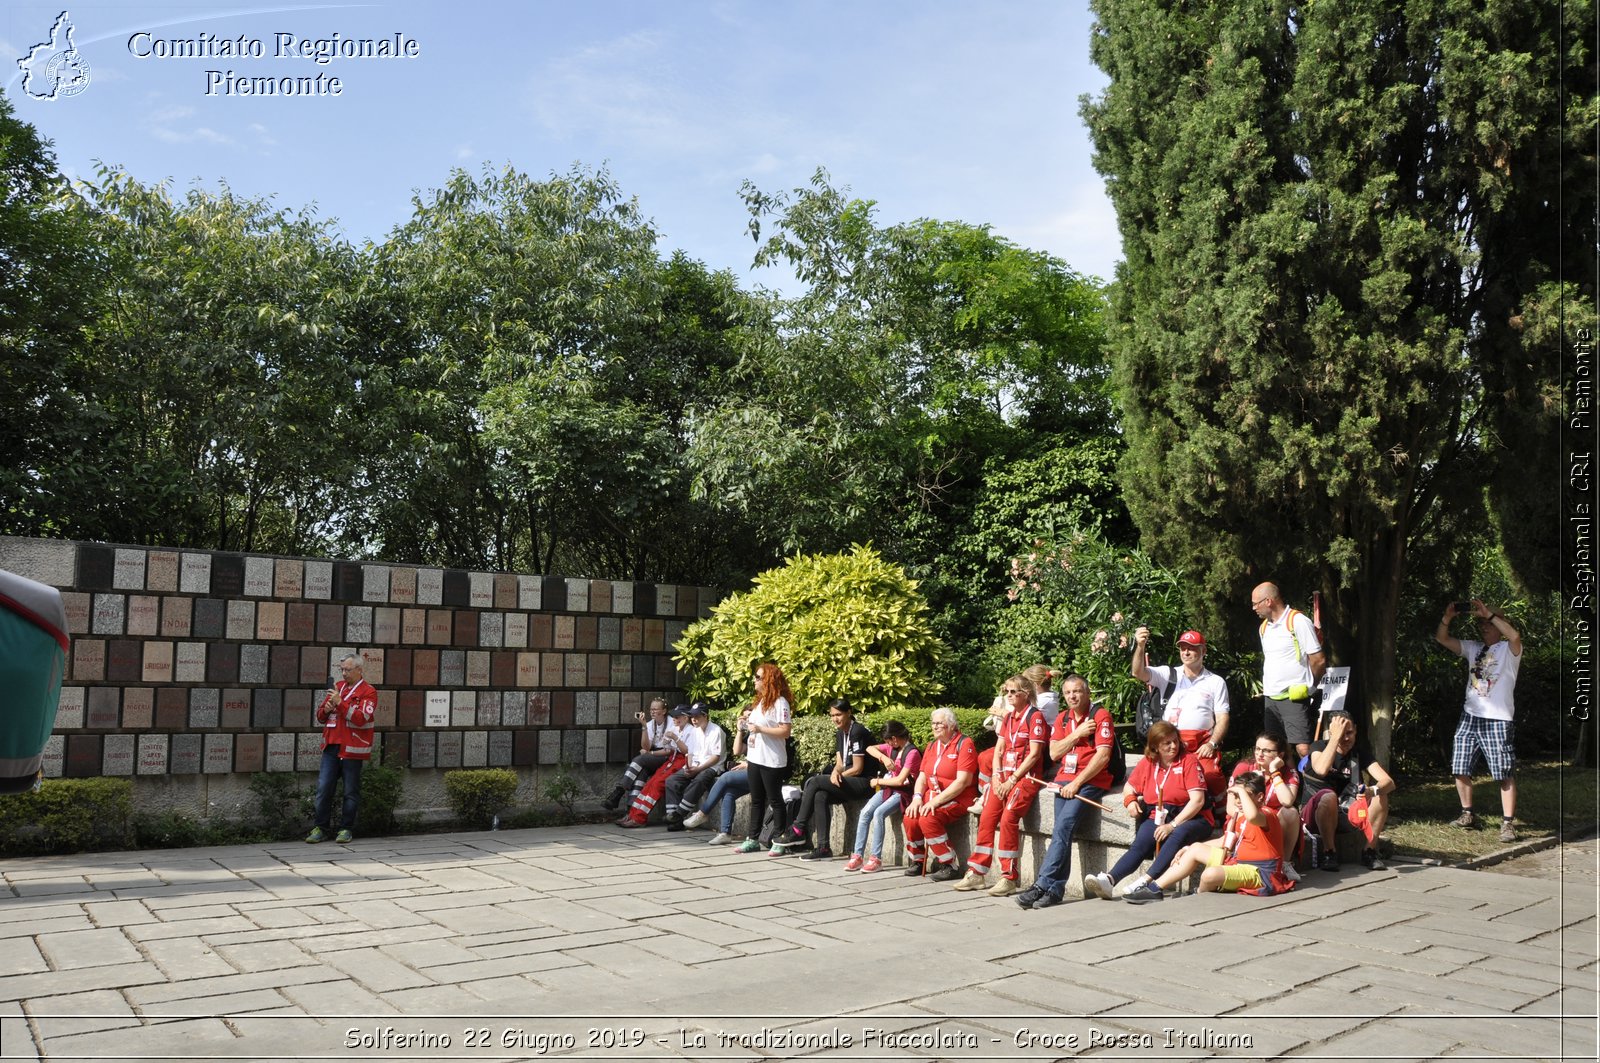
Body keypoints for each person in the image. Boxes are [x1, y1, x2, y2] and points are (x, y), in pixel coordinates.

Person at [1016, 674, 1116, 909]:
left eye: (1077, 691)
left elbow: (1102, 756)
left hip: (1090, 781)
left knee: (1063, 827)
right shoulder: (1062, 719)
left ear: (1087, 693)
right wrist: (1077, 734)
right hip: (1064, 780)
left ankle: (1042, 884)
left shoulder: (1100, 716)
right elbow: (1054, 753)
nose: (1072, 696)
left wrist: (1077, 783)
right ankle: (1056, 890)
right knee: (1062, 832)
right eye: (1068, 692)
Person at [1083, 721, 1212, 900]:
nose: (1173, 746)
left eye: (1175, 741)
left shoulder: (1188, 761)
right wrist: (1130, 801)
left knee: (1178, 833)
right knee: (1141, 843)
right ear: (1156, 746)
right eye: (1167, 743)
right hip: (1158, 813)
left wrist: (1172, 825)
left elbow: (1197, 801)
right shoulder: (1148, 763)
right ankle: (1110, 880)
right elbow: (1129, 787)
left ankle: (1146, 882)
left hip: (1191, 817)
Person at [1123, 771, 1295, 903]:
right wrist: (1188, 848)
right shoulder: (1240, 815)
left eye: (1244, 795)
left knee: (1209, 875)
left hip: (1259, 872)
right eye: (1235, 796)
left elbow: (1253, 817)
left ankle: (1198, 895)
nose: (1238, 801)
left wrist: (1240, 791)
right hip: (1238, 862)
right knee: (1195, 848)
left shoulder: (1266, 814)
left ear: (1259, 797)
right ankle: (1155, 888)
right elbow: (1223, 841)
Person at [1436, 599, 1524, 843]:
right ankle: (1467, 814)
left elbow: (1515, 636)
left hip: (1497, 719)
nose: (1483, 627)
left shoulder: (1509, 650)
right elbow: (1443, 639)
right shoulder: (1473, 648)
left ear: (1500, 624)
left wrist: (1491, 614)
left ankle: (1507, 824)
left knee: (1503, 772)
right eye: (1481, 623)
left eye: (1488, 623)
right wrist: (1447, 617)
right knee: (1460, 765)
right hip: (1470, 716)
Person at [955, 675, 1048, 896]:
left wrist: (1012, 779)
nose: (1009, 695)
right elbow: (999, 750)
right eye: (1007, 692)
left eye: (1014, 692)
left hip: (1025, 778)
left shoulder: (1035, 718)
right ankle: (977, 872)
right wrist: (997, 776)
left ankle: (1009, 877)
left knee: (1008, 819)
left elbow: (1034, 754)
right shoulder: (1008, 718)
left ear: (1026, 693)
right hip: (1003, 776)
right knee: (987, 816)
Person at [1131, 626, 1229, 813]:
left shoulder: (1215, 682)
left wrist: (1213, 744)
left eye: (1191, 647)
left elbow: (1223, 717)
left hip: (1201, 743)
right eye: (1183, 647)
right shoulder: (1169, 674)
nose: (1186, 651)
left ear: (1203, 651)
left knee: (1211, 775)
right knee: (1154, 773)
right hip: (1169, 742)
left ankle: (1219, 814)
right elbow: (1138, 673)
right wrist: (1140, 646)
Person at [780, 698, 876, 859]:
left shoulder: (857, 731)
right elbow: (840, 763)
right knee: (820, 795)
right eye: (832, 715)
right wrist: (835, 773)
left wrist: (838, 775)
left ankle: (798, 828)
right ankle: (823, 848)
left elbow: (858, 768)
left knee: (816, 781)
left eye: (838, 714)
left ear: (849, 713)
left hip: (865, 782)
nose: (835, 719)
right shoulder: (840, 733)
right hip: (848, 780)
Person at [1298, 711, 1395, 871]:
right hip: (1315, 816)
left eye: (1349, 733)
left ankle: (1369, 851)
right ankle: (1330, 852)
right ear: (1331, 733)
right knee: (1328, 797)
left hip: (1347, 813)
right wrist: (1334, 739)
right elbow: (1321, 769)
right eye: (1341, 734)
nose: (1346, 738)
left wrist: (1372, 790)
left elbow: (1389, 782)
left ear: (1355, 730)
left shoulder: (1359, 753)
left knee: (1380, 795)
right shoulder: (1318, 747)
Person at [307, 653, 377, 844]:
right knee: (324, 789)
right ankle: (320, 828)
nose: (344, 673)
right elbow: (320, 716)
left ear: (359, 670)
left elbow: (362, 718)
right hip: (332, 747)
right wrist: (328, 708)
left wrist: (340, 703)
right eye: (342, 670)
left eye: (348, 669)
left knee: (350, 791)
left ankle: (346, 829)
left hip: (352, 748)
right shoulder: (337, 688)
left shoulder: (368, 692)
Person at [902, 707, 979, 881]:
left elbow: (963, 781)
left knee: (928, 817)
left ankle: (949, 864)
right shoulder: (931, 746)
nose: (935, 727)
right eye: (933, 723)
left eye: (939, 724)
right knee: (910, 817)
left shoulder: (964, 743)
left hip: (958, 798)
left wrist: (934, 802)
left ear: (951, 725)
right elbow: (922, 776)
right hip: (933, 796)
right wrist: (917, 798)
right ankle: (918, 860)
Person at [1252, 582, 1326, 759]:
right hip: (1271, 697)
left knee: (1303, 748)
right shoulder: (1264, 628)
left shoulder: (1298, 621)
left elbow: (1318, 660)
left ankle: (1313, 785)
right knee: (1273, 750)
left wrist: (1310, 686)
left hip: (1294, 696)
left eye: (1256, 603)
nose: (1254, 608)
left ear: (1268, 601)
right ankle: (1283, 786)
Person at [845, 720, 921, 873]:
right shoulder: (892, 748)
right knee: (865, 812)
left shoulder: (911, 752)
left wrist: (878, 781)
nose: (887, 744)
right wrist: (884, 758)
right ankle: (857, 855)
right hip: (888, 788)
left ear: (895, 738)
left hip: (903, 792)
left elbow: (900, 781)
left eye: (888, 740)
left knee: (879, 813)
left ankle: (876, 858)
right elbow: (869, 748)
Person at [736, 662, 795, 855]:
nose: (754, 680)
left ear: (768, 680)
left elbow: (785, 731)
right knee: (757, 800)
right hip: (755, 757)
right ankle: (752, 838)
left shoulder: (780, 703)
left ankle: (780, 838)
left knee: (775, 799)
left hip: (772, 759)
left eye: (758, 677)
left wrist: (761, 729)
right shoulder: (760, 702)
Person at [1231, 731, 1302, 874]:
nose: (1260, 754)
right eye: (1257, 749)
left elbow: (1287, 801)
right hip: (1246, 816)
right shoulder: (1244, 767)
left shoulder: (1288, 772)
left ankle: (1284, 864)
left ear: (1280, 755)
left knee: (1291, 812)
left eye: (1266, 750)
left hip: (1272, 822)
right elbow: (1230, 806)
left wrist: (1274, 772)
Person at [619, 705, 691, 827]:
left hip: (682, 760)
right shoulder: (678, 729)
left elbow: (687, 751)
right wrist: (667, 742)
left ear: (685, 718)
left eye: (677, 717)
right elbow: (669, 749)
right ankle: (632, 815)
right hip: (672, 758)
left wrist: (674, 738)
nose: (674, 719)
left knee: (657, 785)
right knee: (651, 782)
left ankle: (639, 818)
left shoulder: (691, 730)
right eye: (673, 716)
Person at [663, 701, 726, 831]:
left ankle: (679, 814)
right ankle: (672, 816)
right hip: (695, 765)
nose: (694, 720)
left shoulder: (716, 731)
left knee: (700, 779)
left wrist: (697, 769)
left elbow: (716, 757)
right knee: (671, 780)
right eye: (692, 717)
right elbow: (690, 753)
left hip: (711, 767)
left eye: (697, 717)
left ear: (705, 716)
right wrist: (688, 767)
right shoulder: (695, 731)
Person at [603, 698, 673, 811]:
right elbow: (646, 746)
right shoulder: (650, 724)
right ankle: (631, 809)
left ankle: (619, 791)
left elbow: (670, 750)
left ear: (664, 711)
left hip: (666, 756)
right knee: (641, 772)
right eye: (651, 709)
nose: (652, 712)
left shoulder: (671, 723)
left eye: (655, 709)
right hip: (652, 756)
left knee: (639, 759)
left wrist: (650, 753)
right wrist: (644, 727)